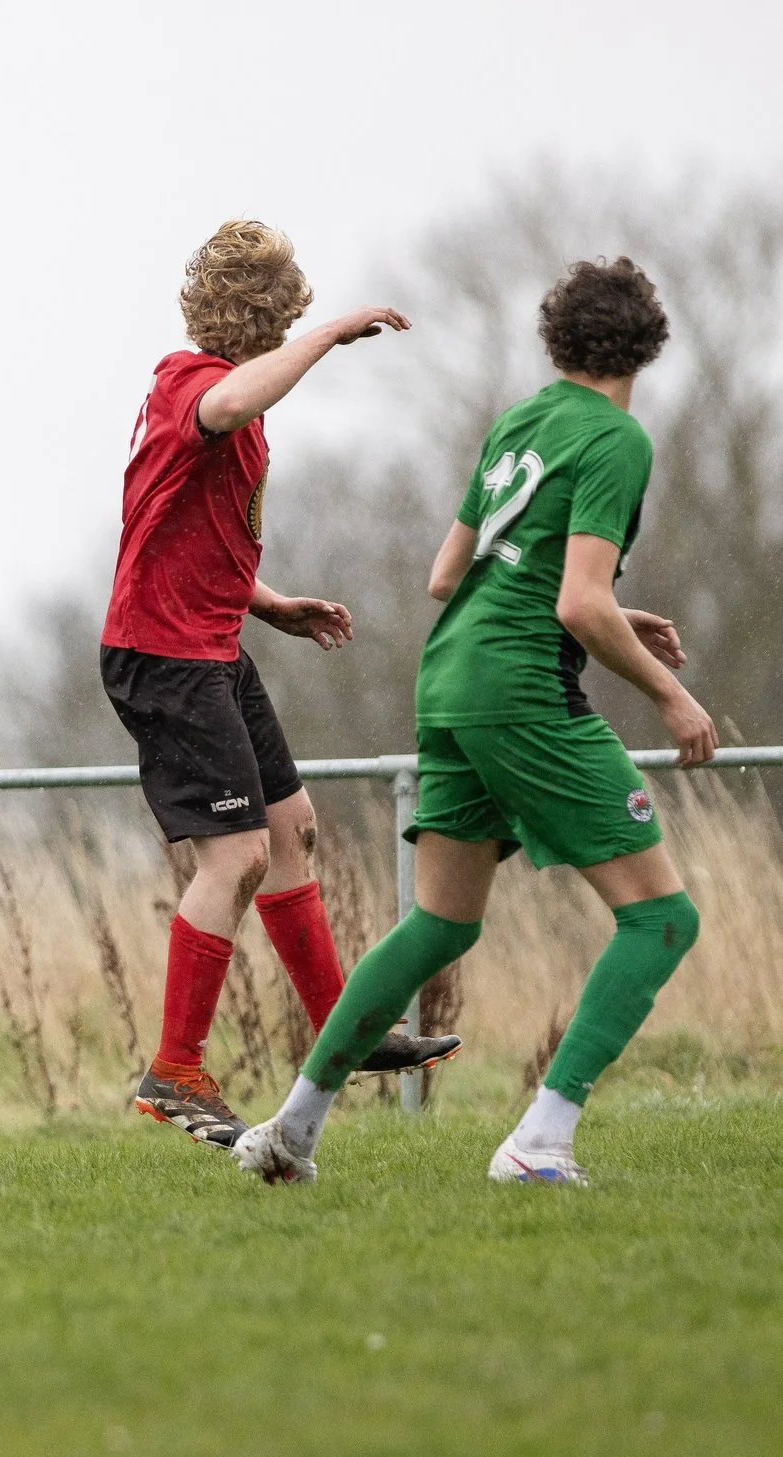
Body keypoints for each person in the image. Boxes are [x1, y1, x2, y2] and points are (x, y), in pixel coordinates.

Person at [238, 258, 709, 1187]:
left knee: (440, 926)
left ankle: (291, 1132)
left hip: (448, 680)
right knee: (661, 919)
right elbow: (576, 606)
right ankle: (539, 1141)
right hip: (520, 690)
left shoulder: (521, 421)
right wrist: (670, 692)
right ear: (647, 346)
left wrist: (613, 602)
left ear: (556, 339)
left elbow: (449, 575)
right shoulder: (616, 438)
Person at [102, 220, 462, 1151]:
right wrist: (328, 339)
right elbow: (223, 406)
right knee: (237, 858)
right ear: (268, 320)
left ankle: (345, 1029)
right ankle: (175, 1070)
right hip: (166, 657)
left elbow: (175, 529)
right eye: (289, 316)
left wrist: (268, 603)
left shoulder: (226, 397)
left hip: (213, 642)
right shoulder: (196, 386)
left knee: (291, 829)